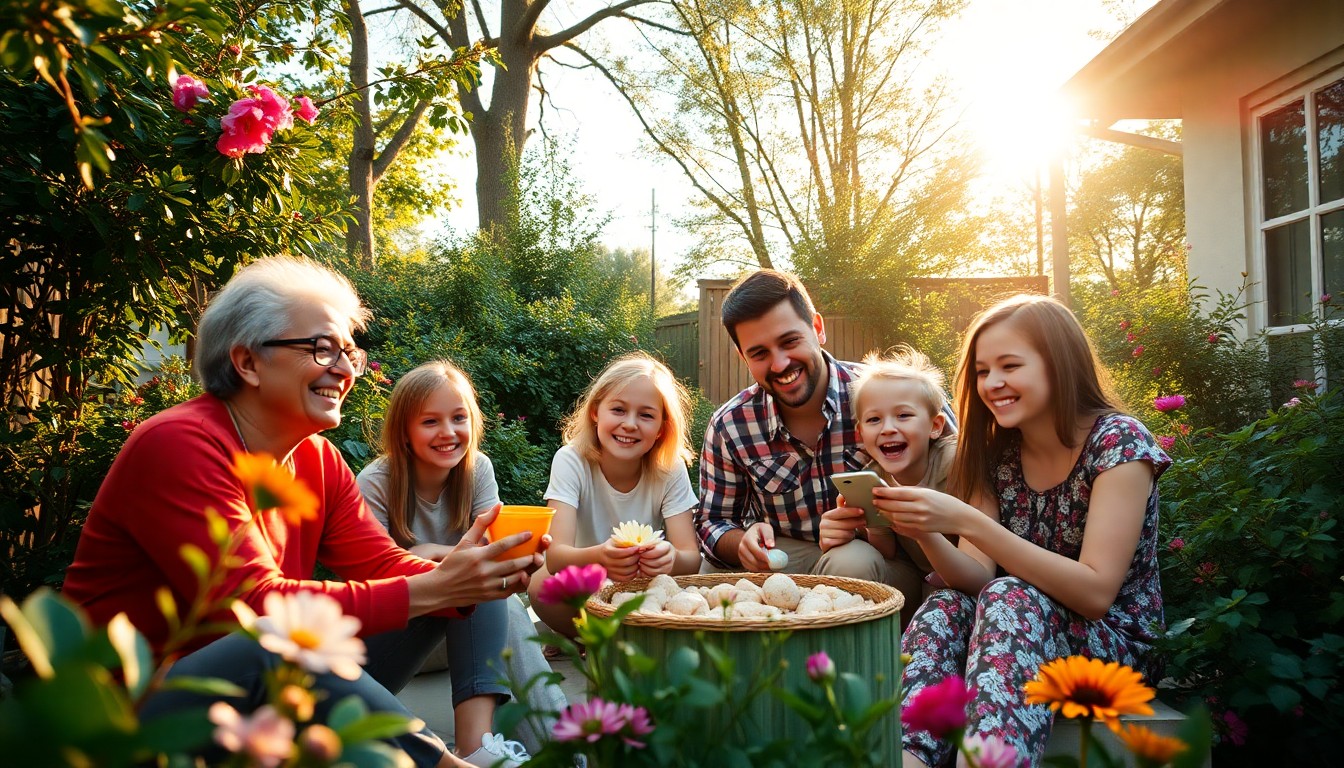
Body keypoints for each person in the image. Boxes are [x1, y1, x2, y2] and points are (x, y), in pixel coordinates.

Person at [62, 257, 546, 768]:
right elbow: (256, 607)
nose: (344, 369)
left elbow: (382, 564)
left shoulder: (316, 459)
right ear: (247, 362)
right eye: (321, 349)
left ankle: (478, 749)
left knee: (466, 582)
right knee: (284, 636)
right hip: (129, 720)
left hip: (257, 708)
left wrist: (470, 576)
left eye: (348, 352)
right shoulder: (179, 444)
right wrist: (437, 586)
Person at [876, 295, 1169, 768]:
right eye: (982, 371)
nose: (992, 383)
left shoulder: (1118, 442)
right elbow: (975, 578)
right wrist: (924, 528)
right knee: (946, 606)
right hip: (1013, 629)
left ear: (1058, 364)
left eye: (1010, 366)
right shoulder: (996, 453)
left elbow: (1095, 593)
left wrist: (966, 519)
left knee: (1009, 595)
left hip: (1114, 648)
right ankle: (907, 758)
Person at [357, 360, 565, 766]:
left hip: (471, 637)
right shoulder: (376, 482)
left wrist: (519, 559)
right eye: (430, 421)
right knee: (477, 584)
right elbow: (375, 580)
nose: (448, 432)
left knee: (493, 592)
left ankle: (550, 752)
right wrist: (448, 561)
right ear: (403, 431)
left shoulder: (477, 470)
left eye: (458, 418)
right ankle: (533, 747)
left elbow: (492, 553)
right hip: (398, 639)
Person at [696, 269, 954, 589]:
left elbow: (965, 471)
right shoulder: (730, 425)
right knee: (709, 570)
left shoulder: (890, 394)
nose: (780, 364)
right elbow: (712, 521)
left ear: (818, 329)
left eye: (790, 341)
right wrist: (741, 543)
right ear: (742, 357)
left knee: (852, 560)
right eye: (759, 353)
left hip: (887, 558)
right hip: (790, 553)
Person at [530, 352, 701, 637]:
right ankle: (592, 639)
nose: (630, 424)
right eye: (618, 410)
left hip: (640, 587)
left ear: (662, 428)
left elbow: (691, 558)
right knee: (540, 584)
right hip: (582, 586)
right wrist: (601, 557)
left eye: (646, 415)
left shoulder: (670, 468)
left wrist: (670, 558)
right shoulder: (571, 460)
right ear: (596, 412)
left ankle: (620, 640)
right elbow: (555, 558)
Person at [820, 346, 956, 627]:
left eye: (903, 415)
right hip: (922, 580)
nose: (888, 428)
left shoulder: (953, 463)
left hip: (965, 577)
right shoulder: (873, 476)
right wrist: (869, 520)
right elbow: (888, 552)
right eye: (874, 419)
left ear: (935, 426)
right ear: (861, 433)